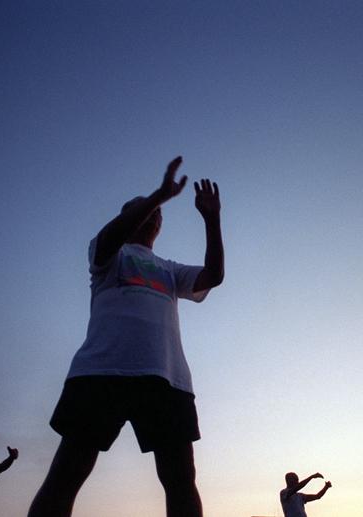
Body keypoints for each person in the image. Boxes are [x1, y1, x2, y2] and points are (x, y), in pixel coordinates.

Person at [28, 156, 224, 517]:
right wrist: (158, 196)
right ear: (129, 217)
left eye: (159, 214)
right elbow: (112, 235)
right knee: (67, 475)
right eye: (144, 211)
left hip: (167, 379)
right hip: (101, 372)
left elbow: (213, 275)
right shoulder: (107, 254)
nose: (154, 216)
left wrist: (212, 220)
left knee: (181, 479)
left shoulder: (169, 269)